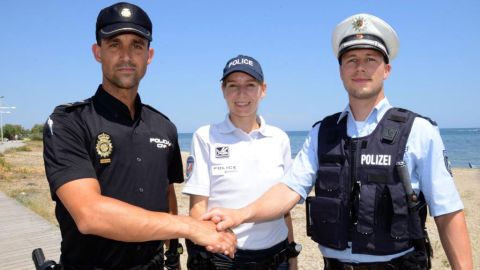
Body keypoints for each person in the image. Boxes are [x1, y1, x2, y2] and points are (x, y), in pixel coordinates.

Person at [203, 14, 473, 270]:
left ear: (387, 69)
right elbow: (288, 190)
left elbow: (447, 211)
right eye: (351, 59)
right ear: (341, 71)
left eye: (370, 58)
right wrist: (241, 214)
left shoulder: (418, 131)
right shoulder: (323, 132)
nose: (361, 67)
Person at [42, 2, 235, 269]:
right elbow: (89, 214)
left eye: (136, 45)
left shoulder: (163, 127)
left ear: (149, 55)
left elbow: (167, 195)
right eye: (114, 44)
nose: (126, 55)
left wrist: (173, 254)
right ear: (97, 52)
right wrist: (189, 227)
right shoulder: (68, 123)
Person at [182, 55, 300, 269]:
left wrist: (292, 257)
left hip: (276, 258)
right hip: (226, 258)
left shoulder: (279, 138)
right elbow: (197, 210)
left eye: (250, 85)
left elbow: (284, 207)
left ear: (263, 90)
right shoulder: (206, 136)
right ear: (223, 90)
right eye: (233, 86)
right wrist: (217, 241)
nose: (241, 94)